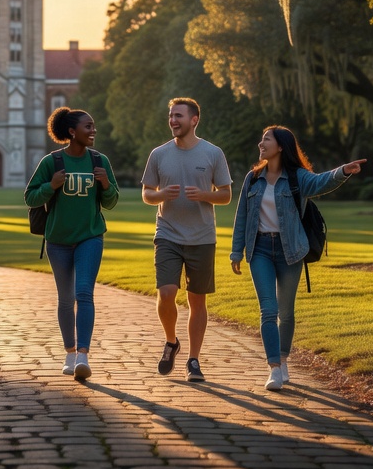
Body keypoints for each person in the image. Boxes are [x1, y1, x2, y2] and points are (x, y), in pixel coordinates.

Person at [231, 125, 365, 391]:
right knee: (268, 310)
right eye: (261, 139)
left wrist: (343, 171)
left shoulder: (297, 177)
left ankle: (282, 359)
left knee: (286, 313)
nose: (261, 143)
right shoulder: (252, 178)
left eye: (266, 139)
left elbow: (320, 182)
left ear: (280, 146)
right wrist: (237, 251)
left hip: (290, 250)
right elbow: (242, 216)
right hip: (259, 250)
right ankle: (274, 369)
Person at [141, 97, 232, 382]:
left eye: (178, 116)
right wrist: (161, 195)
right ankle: (171, 342)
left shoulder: (213, 153)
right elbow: (147, 193)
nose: (172, 121)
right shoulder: (158, 154)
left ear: (194, 120)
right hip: (167, 233)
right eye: (170, 116)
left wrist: (205, 195)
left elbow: (226, 195)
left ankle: (193, 359)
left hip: (202, 237)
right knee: (166, 292)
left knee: (197, 301)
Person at [25, 107, 119, 380]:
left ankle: (83, 356)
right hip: (57, 241)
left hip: (90, 237)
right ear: (71, 132)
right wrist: (50, 186)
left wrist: (105, 185)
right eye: (88, 126)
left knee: (84, 293)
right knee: (65, 299)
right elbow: (30, 198)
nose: (93, 131)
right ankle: (69, 353)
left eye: (93, 126)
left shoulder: (100, 161)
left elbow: (111, 203)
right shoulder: (51, 162)